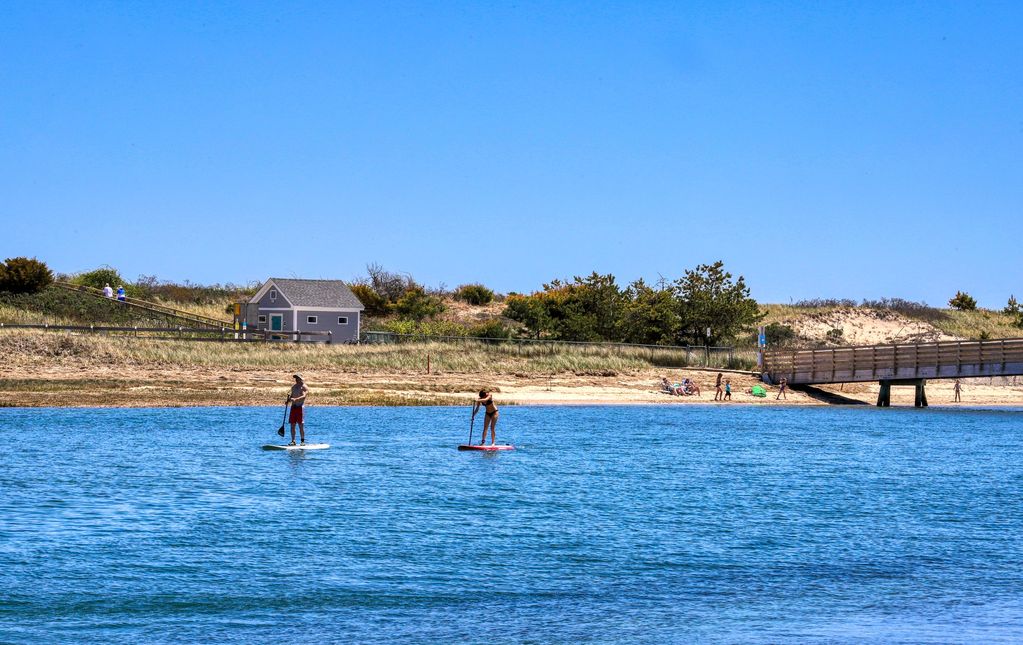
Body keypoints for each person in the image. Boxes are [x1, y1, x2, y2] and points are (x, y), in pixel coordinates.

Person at [287, 373, 309, 445]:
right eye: (295, 378)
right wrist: (288, 400)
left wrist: (296, 399)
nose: (296, 379)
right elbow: (291, 396)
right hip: (293, 408)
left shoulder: (304, 387)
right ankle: (293, 441)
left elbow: (304, 396)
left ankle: (302, 441)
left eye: (297, 378)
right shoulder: (293, 387)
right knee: (292, 425)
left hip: (300, 408)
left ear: (301, 379)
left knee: (300, 425)